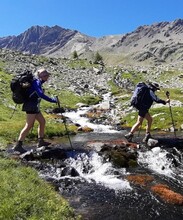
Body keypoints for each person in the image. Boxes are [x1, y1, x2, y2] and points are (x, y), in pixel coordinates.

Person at [13, 68, 57, 153]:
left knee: (42, 122)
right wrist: (52, 100)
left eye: (47, 75)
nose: (47, 77)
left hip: (34, 106)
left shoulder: (38, 82)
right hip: (30, 106)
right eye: (46, 75)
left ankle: (41, 141)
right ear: (41, 76)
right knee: (29, 125)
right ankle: (18, 145)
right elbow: (40, 94)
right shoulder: (36, 82)